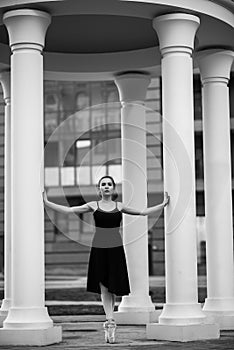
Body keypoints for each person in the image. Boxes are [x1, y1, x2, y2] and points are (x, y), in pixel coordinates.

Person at [43, 175, 170, 343]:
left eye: (109, 184)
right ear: (99, 189)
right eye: (103, 184)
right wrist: (46, 201)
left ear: (113, 188)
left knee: (112, 285)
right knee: (103, 285)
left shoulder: (119, 206)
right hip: (99, 248)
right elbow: (68, 210)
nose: (106, 187)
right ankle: (110, 321)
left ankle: (110, 322)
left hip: (116, 248)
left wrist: (162, 204)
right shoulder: (92, 205)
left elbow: (143, 212)